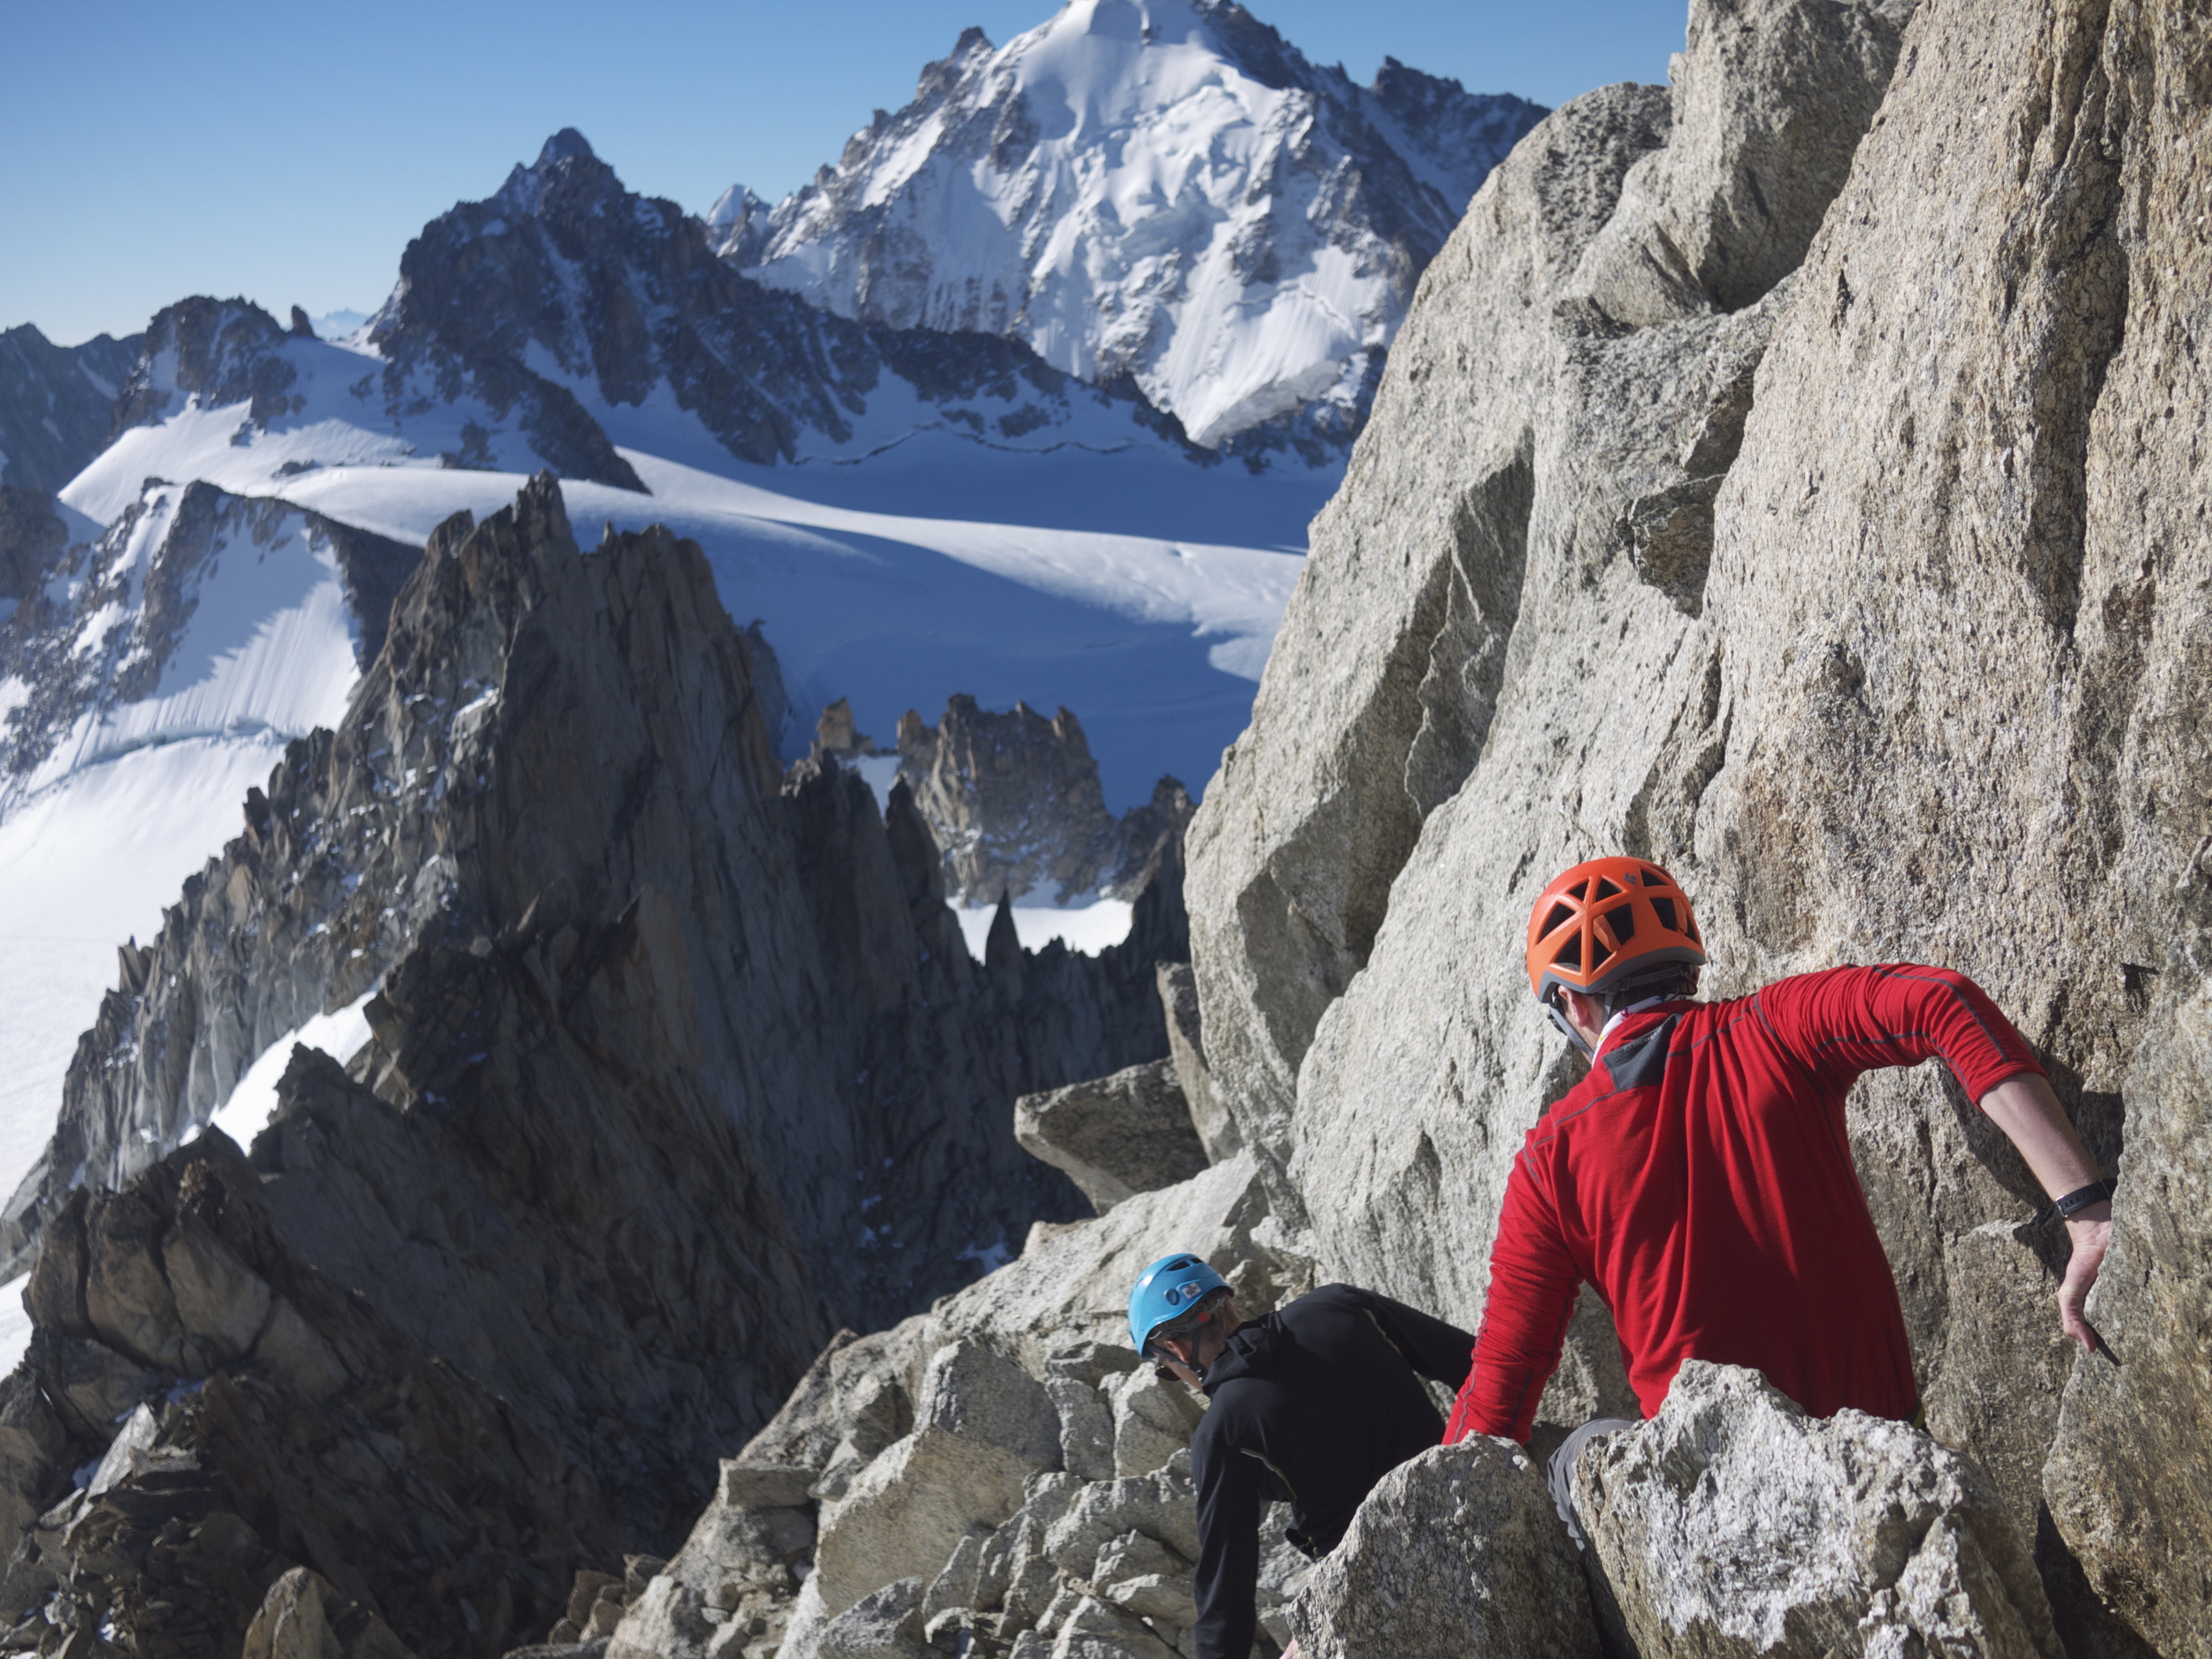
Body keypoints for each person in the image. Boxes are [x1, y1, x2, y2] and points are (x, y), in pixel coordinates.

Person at [1442, 856, 2116, 1524]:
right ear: (1689, 963)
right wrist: (2084, 1212)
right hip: (1890, 1457)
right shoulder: (1775, 1027)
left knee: (1577, 1454)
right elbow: (1940, 999)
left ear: (1573, 1003)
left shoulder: (1549, 1159)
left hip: (1726, 1508)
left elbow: (1499, 1394)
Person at [1127, 1255, 1476, 1659]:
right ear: (1225, 1300)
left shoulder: (1222, 1432)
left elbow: (1227, 1589)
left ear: (1173, 1347)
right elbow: (1470, 1360)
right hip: (1462, 1491)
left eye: (1166, 1367)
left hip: (1374, 1580)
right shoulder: (1338, 1303)